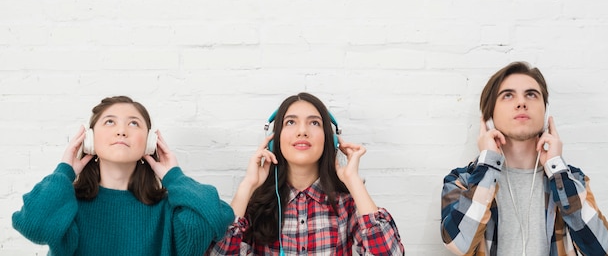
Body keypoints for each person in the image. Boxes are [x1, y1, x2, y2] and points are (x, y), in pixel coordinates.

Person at [13, 95, 234, 256]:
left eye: (134, 123)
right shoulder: (69, 207)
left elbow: (214, 220)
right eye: (110, 121)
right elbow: (34, 225)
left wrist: (174, 177)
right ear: (89, 140)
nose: (122, 131)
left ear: (149, 143)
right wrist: (65, 170)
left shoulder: (166, 210)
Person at [440, 62, 608, 256]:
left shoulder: (571, 180)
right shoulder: (462, 180)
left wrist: (557, 169)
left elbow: (601, 249)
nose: (521, 103)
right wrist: (488, 164)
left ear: (545, 112)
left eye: (531, 94)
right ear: (489, 118)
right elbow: (458, 243)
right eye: (508, 95)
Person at [207, 92, 404, 255]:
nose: (302, 131)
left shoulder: (348, 206)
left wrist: (353, 181)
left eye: (314, 123)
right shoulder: (255, 207)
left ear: (330, 140)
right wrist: (247, 185)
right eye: (291, 122)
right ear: (274, 140)